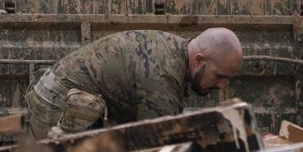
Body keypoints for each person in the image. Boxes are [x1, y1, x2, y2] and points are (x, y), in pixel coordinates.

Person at [25, 28, 244, 138]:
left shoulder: (175, 51)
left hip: (63, 98)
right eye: (219, 76)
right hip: (56, 107)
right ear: (198, 61)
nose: (222, 86)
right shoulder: (162, 75)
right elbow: (156, 144)